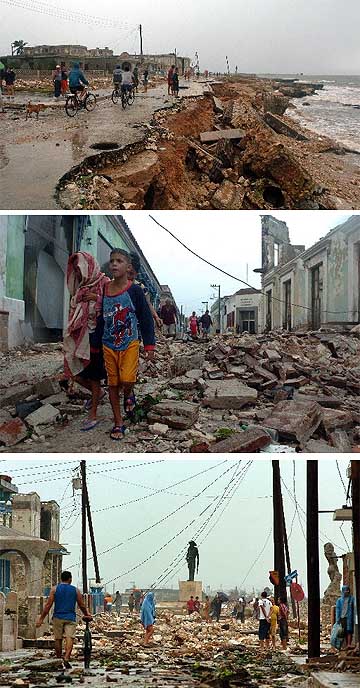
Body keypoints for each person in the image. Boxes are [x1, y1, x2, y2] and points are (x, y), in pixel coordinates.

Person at [101, 248, 155, 440]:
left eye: (119, 261)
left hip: (130, 342)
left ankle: (130, 393)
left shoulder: (135, 290)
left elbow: (145, 318)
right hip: (108, 344)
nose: (114, 264)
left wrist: (149, 346)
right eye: (112, 261)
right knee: (113, 384)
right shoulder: (104, 290)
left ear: (128, 267)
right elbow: (101, 319)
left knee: (127, 379)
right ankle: (118, 422)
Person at [63, 252, 109, 431]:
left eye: (80, 268)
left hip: (96, 337)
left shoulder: (104, 283)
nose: (78, 272)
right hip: (80, 337)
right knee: (75, 372)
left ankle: (94, 413)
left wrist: (97, 299)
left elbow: (114, 305)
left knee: (94, 376)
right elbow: (73, 309)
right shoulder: (80, 287)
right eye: (75, 269)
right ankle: (99, 394)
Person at [35, 570, 92, 669]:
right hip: (70, 618)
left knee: (58, 639)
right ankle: (66, 658)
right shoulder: (75, 590)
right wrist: (87, 614)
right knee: (70, 638)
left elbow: (48, 605)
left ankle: (58, 659)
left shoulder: (54, 589)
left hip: (57, 617)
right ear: (70, 579)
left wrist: (41, 618)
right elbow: (81, 605)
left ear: (61, 579)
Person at [128, 254, 162, 329]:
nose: (128, 276)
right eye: (127, 273)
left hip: (134, 324)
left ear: (136, 274)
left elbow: (148, 304)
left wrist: (156, 317)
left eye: (131, 274)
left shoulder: (140, 287)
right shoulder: (114, 285)